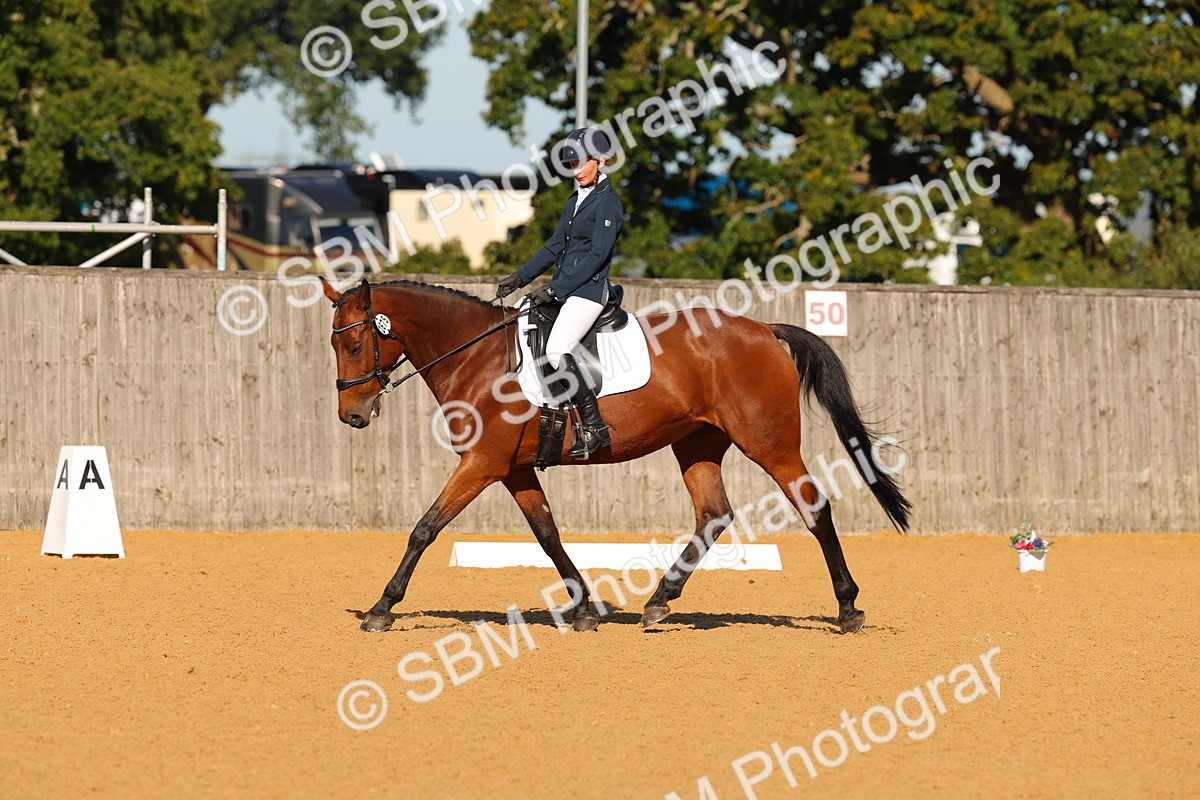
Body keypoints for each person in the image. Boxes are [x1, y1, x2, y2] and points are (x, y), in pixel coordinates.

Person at [496, 127, 623, 458]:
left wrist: (555, 288)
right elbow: (554, 247)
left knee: (556, 350)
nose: (576, 170)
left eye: (581, 163)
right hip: (567, 289)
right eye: (570, 165)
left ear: (602, 159)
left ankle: (595, 427)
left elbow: (597, 255)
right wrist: (519, 278)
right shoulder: (575, 200)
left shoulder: (608, 203)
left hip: (589, 292)